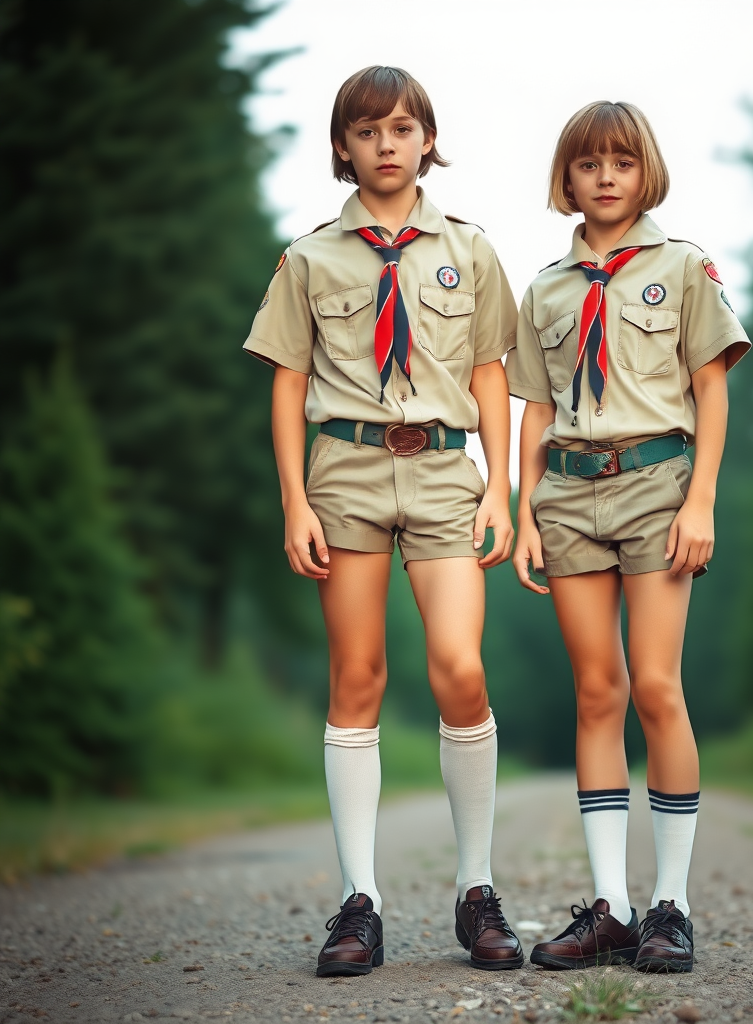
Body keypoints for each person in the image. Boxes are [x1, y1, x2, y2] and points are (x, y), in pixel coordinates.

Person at [243, 66, 523, 976]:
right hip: (348, 474)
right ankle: (358, 903)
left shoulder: (470, 250)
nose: (388, 144)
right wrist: (295, 499)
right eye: (369, 131)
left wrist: (499, 485)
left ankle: (476, 890)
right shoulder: (309, 257)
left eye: (404, 128)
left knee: (459, 665)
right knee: (356, 676)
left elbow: (490, 370)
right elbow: (287, 381)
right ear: (343, 148)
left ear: (427, 140)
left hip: (444, 471)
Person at [507, 101, 750, 974]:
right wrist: (524, 501)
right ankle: (610, 907)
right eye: (588, 163)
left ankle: (671, 907)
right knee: (597, 691)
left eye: (620, 161)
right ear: (566, 179)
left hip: (658, 488)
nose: (605, 176)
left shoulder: (683, 268)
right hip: (570, 494)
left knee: (656, 684)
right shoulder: (546, 288)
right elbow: (535, 407)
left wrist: (702, 502)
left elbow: (712, 390)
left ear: (644, 171)